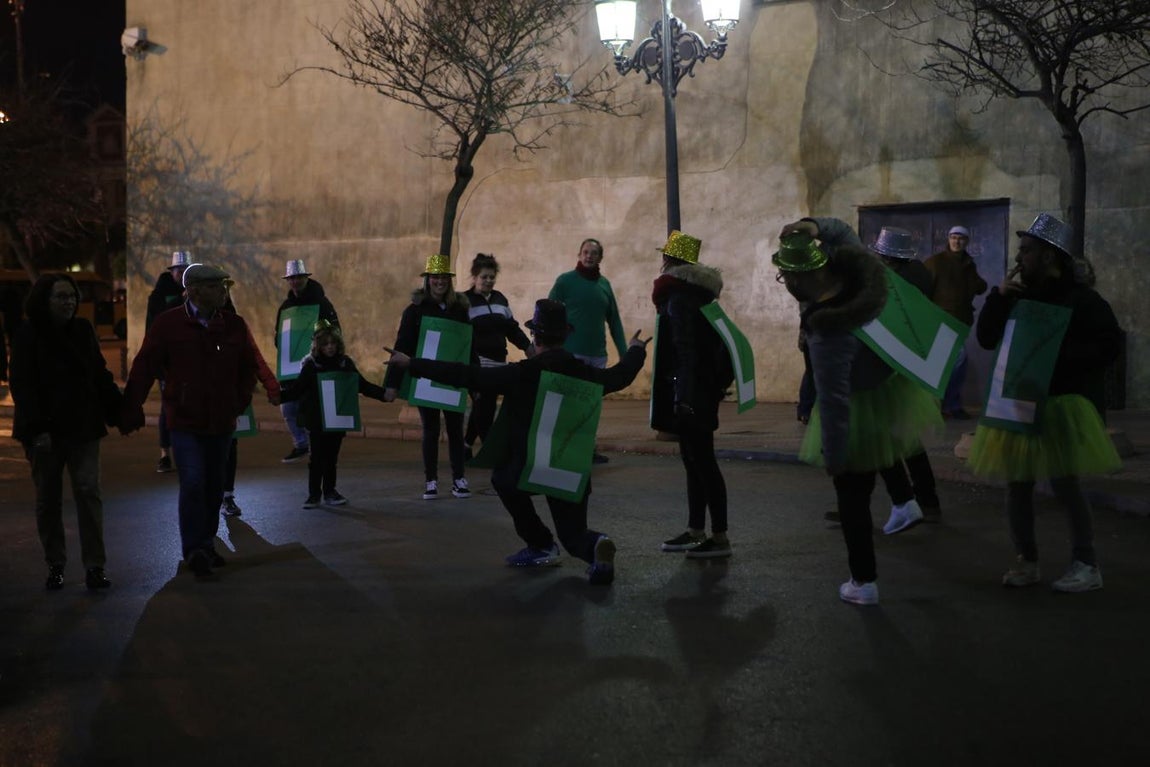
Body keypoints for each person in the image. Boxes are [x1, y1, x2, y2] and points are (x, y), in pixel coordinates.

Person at [385, 299, 649, 585]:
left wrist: (413, 363)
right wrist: (636, 351)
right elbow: (620, 376)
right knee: (574, 537)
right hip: (569, 465)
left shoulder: (523, 373)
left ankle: (540, 545)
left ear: (535, 336)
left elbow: (467, 375)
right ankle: (596, 545)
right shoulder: (585, 372)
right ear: (565, 335)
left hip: (528, 464)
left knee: (502, 479)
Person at [773, 231, 940, 606]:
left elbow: (832, 400)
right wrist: (812, 224)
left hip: (858, 405)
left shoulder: (826, 325)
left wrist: (833, 456)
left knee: (852, 497)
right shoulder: (861, 283)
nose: (785, 285)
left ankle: (863, 582)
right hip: (886, 392)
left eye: (785, 278)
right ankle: (904, 502)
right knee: (871, 475)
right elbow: (840, 232)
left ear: (799, 278)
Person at [968, 214, 1121, 593]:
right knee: (1018, 485)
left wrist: (1058, 358)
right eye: (1021, 250)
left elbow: (1107, 347)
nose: (1020, 257)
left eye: (1028, 250)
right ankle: (1027, 560)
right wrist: (998, 298)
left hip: (1062, 404)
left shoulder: (1082, 300)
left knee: (1065, 484)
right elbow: (986, 338)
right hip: (1019, 401)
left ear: (1051, 256)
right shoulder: (1016, 296)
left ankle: (1086, 563)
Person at [120, 263, 259, 578]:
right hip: (184, 419)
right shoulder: (168, 324)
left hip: (221, 420)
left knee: (213, 486)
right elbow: (144, 365)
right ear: (194, 290)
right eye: (216, 287)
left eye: (224, 286)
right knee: (194, 481)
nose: (223, 292)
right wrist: (131, 406)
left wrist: (240, 399)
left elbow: (248, 366)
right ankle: (194, 549)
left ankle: (207, 543)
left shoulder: (233, 325)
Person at [10, 274, 122, 591]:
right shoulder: (28, 334)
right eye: (61, 296)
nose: (68, 302)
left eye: (72, 296)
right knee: (48, 498)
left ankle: (95, 566)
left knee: (89, 493)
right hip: (44, 433)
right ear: (44, 300)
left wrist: (119, 410)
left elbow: (98, 373)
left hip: (83, 427)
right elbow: (23, 385)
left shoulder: (83, 330)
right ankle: (55, 563)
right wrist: (37, 429)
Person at [650, 231, 734, 559]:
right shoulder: (697, 295)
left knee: (702, 462)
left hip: (693, 392)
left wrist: (683, 397)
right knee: (694, 460)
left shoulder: (679, 297)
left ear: (670, 261)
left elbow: (686, 350)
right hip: (701, 389)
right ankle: (697, 530)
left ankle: (720, 537)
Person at [868, 226, 943, 530]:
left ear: (887, 257)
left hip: (890, 365)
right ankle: (927, 498)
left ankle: (906, 500)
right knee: (907, 437)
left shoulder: (894, 282)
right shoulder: (921, 275)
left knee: (882, 438)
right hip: (909, 363)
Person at [383, 254, 473, 500]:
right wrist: (391, 383)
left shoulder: (460, 309)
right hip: (425, 379)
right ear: (427, 280)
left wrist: (473, 380)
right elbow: (402, 346)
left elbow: (468, 346)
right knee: (431, 430)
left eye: (443, 277)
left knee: (456, 430)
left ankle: (459, 479)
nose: (439, 281)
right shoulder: (414, 311)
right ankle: (431, 480)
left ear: (449, 280)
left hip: (453, 377)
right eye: (435, 277)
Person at [548, 238, 628, 464]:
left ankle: (588, 448)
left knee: (591, 405)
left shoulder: (604, 285)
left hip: (597, 354)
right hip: (571, 353)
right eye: (585, 251)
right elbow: (548, 311)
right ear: (578, 254)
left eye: (594, 253)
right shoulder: (565, 282)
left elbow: (614, 320)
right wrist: (547, 346)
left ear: (600, 258)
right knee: (570, 404)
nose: (589, 256)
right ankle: (564, 448)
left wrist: (625, 352)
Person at [461, 253, 533, 455]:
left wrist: (528, 348)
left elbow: (511, 328)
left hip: (498, 362)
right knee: (484, 403)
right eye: (484, 276)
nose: (489, 281)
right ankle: (490, 450)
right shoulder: (464, 302)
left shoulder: (500, 299)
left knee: (485, 405)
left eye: (492, 277)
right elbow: (460, 335)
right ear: (474, 277)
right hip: (477, 362)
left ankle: (466, 445)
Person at [220, 293, 281, 517]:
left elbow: (254, 357)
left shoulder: (236, 325)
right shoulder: (186, 321)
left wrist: (271, 386)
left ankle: (226, 496)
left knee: (229, 446)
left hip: (232, 398)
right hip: (202, 401)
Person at [274, 259, 340, 463]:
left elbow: (333, 332)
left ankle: (316, 448)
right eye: (292, 278)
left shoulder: (321, 303)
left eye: (299, 277)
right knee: (288, 408)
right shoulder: (285, 307)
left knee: (312, 408)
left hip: (314, 364)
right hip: (290, 366)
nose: (295, 281)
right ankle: (300, 444)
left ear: (306, 278)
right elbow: (279, 335)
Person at [924, 225, 987, 419]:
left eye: (960, 238)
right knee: (958, 360)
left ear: (966, 241)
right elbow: (924, 288)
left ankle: (948, 405)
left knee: (949, 363)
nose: (956, 241)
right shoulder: (936, 262)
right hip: (941, 320)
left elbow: (979, 287)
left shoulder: (968, 263)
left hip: (960, 321)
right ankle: (947, 405)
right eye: (953, 237)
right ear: (948, 239)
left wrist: (973, 277)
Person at [145, 250, 190, 473]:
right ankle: (165, 453)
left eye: (185, 271)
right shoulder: (159, 296)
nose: (182, 275)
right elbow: (155, 325)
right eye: (179, 270)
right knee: (168, 408)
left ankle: (186, 453)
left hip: (189, 361)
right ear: (172, 272)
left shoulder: (194, 293)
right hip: (167, 364)